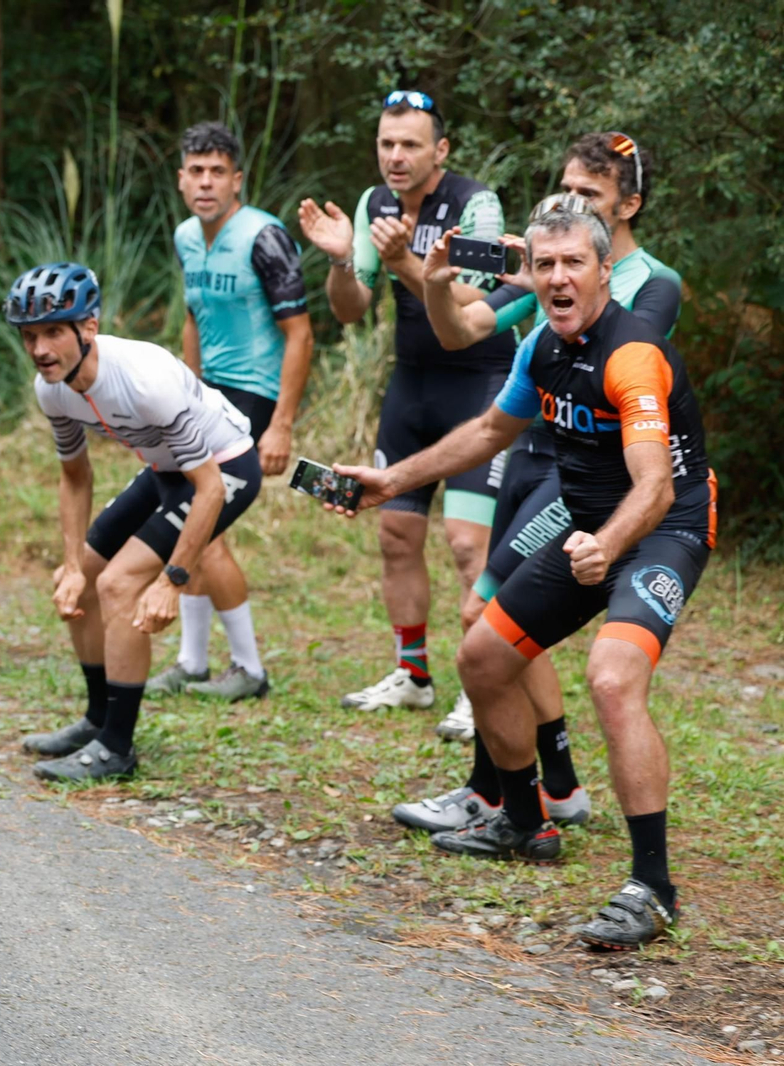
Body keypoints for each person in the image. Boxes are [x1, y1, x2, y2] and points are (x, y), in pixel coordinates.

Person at [329, 201, 715, 950]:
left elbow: (656, 487)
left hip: (661, 530)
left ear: (606, 271)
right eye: (545, 265)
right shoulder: (540, 346)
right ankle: (524, 820)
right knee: (483, 655)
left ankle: (653, 889)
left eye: (575, 263)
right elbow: (487, 432)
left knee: (611, 676)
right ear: (528, 272)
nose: (560, 278)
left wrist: (606, 544)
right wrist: (390, 481)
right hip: (588, 529)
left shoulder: (633, 355)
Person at [395, 134, 678, 836]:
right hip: (526, 451)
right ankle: (545, 789)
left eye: (589, 195)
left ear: (628, 205)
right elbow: (464, 330)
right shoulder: (549, 265)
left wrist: (548, 280)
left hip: (581, 475)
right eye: (564, 188)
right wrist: (426, 275)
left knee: (483, 619)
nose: (568, 202)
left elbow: (613, 357)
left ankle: (509, 794)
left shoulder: (651, 282)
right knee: (501, 631)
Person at [298, 90, 515, 718]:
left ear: (440, 150)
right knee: (395, 534)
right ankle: (412, 674)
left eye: (410, 145)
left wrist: (404, 259)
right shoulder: (374, 204)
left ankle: (486, 685)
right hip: (413, 382)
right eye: (386, 144)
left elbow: (471, 307)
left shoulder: (475, 202)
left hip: (481, 382)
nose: (395, 157)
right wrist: (344, 259)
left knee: (469, 544)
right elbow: (351, 309)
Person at [9, 262, 262, 782]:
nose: (40, 349)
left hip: (225, 467)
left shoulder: (146, 380)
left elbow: (210, 487)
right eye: (30, 336)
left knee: (121, 583)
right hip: (164, 468)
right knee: (77, 586)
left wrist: (173, 579)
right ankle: (97, 722)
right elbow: (75, 477)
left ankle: (117, 749)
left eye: (54, 332)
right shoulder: (51, 389)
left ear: (90, 327)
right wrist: (71, 562)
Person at [147, 121, 312, 702]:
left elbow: (300, 334)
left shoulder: (263, 237)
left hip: (254, 395)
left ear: (237, 179)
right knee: (184, 517)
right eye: (196, 171)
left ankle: (249, 668)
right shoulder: (186, 236)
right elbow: (193, 315)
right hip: (206, 392)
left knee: (203, 525)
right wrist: (183, 393)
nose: (206, 183)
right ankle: (192, 660)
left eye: (218, 172)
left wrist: (281, 425)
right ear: (181, 179)